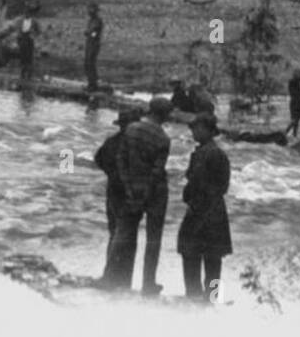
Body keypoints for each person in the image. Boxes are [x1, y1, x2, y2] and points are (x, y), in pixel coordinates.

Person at [106, 96, 172, 295]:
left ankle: (109, 277)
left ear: (149, 110)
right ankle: (148, 284)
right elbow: (156, 172)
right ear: (165, 116)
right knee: (153, 240)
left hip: (130, 190)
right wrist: (145, 195)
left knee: (122, 233)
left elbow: (121, 160)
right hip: (155, 194)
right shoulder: (163, 138)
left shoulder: (131, 129)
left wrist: (128, 187)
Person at [177, 112, 232, 302]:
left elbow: (198, 182)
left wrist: (190, 196)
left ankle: (194, 297)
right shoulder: (212, 152)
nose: (193, 132)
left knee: (191, 253)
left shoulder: (208, 153)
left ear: (209, 130)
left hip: (202, 209)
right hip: (213, 210)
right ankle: (211, 300)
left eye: (197, 128)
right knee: (212, 258)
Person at [94, 108, 141, 284]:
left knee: (114, 233)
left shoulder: (111, 142)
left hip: (113, 190)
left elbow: (98, 159)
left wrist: (112, 174)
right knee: (127, 236)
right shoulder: (135, 145)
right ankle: (122, 279)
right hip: (129, 194)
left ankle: (110, 275)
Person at [17, 8, 41, 81]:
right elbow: (18, 30)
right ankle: (22, 74)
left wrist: (33, 35)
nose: (26, 14)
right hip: (22, 38)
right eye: (25, 13)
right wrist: (18, 38)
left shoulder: (34, 21)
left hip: (30, 39)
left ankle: (29, 75)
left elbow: (39, 31)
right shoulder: (21, 20)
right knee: (22, 56)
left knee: (29, 56)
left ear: (30, 14)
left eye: (28, 13)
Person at [285, 70, 300, 140]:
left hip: (298, 103)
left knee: (297, 120)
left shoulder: (296, 81)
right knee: (294, 120)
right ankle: (284, 133)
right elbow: (299, 79)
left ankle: (294, 135)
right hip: (295, 103)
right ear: (295, 75)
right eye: (298, 75)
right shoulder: (292, 82)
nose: (299, 76)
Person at [84, 3, 103, 91]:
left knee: (91, 63)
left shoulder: (98, 21)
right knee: (87, 63)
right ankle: (90, 83)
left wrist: (89, 33)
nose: (89, 11)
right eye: (89, 9)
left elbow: (94, 33)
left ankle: (93, 84)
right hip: (89, 44)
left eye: (91, 9)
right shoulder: (91, 20)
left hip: (94, 45)